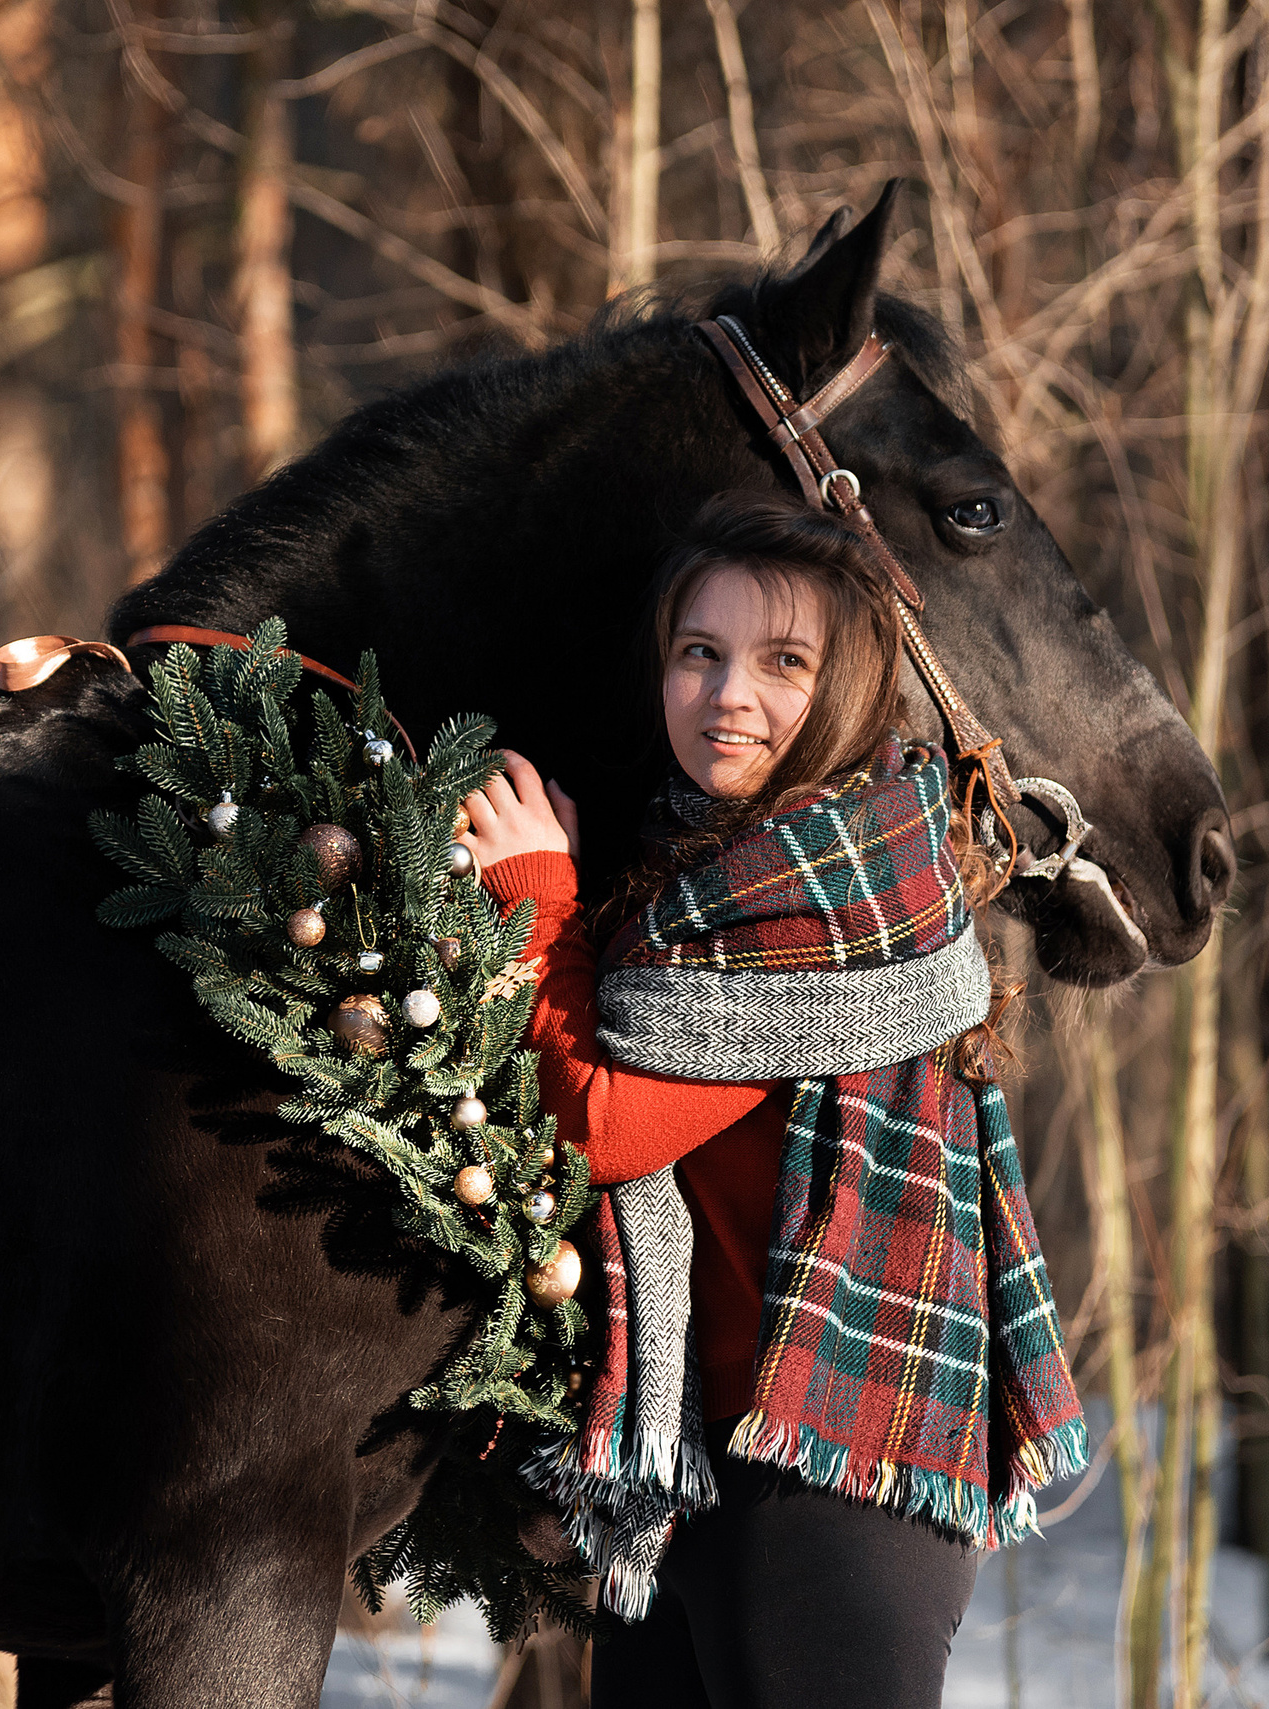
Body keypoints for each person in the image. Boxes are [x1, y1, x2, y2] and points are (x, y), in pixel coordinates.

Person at [456, 493, 1085, 1709]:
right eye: (701, 652)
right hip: (701, 1461)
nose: (727, 693)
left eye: (781, 661)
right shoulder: (687, 868)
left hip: (834, 1471)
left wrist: (538, 906)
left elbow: (603, 1118)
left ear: (849, 683)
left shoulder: (837, 893)